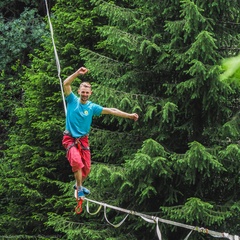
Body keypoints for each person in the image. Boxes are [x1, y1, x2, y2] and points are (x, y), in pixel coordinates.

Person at [62, 67, 139, 199]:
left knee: (86, 169)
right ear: (79, 91)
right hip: (70, 138)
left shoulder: (92, 107)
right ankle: (79, 189)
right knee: (76, 161)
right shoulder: (72, 100)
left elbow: (112, 110)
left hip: (83, 140)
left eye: (87, 92)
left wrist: (129, 116)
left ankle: (78, 184)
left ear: (90, 93)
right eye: (83, 92)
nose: (85, 94)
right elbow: (66, 84)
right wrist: (77, 73)